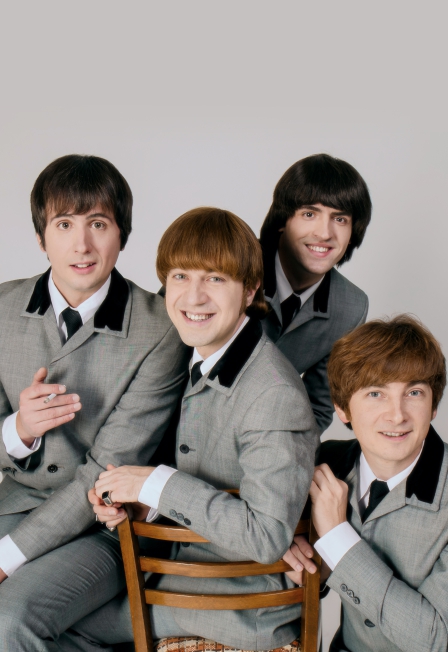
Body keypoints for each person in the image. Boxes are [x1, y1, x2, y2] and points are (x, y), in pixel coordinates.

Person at [62, 207, 319, 652]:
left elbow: (265, 536)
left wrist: (157, 484)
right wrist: (143, 505)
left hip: (235, 604)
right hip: (178, 576)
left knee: (41, 621)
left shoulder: (272, 393)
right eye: (180, 276)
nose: (193, 297)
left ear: (250, 289)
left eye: (215, 278)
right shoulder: (194, 355)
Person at [0, 154, 189, 650]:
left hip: (102, 527)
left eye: (98, 224)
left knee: (9, 619)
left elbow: (105, 472)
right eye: (64, 224)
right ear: (41, 237)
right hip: (13, 503)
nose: (82, 245)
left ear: (122, 234)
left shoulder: (161, 328)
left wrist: (6, 557)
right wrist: (18, 430)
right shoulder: (1, 308)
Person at [283, 315, 448, 652]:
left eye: (414, 392)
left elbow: (436, 639)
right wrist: (296, 555)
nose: (397, 415)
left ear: (433, 405)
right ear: (343, 409)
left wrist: (337, 538)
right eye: (376, 393)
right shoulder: (326, 464)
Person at [260, 153, 372, 432]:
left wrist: (281, 452)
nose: (324, 233)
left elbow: (316, 408)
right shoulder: (229, 261)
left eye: (340, 219)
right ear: (283, 219)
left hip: (265, 439)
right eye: (309, 214)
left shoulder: (351, 307)